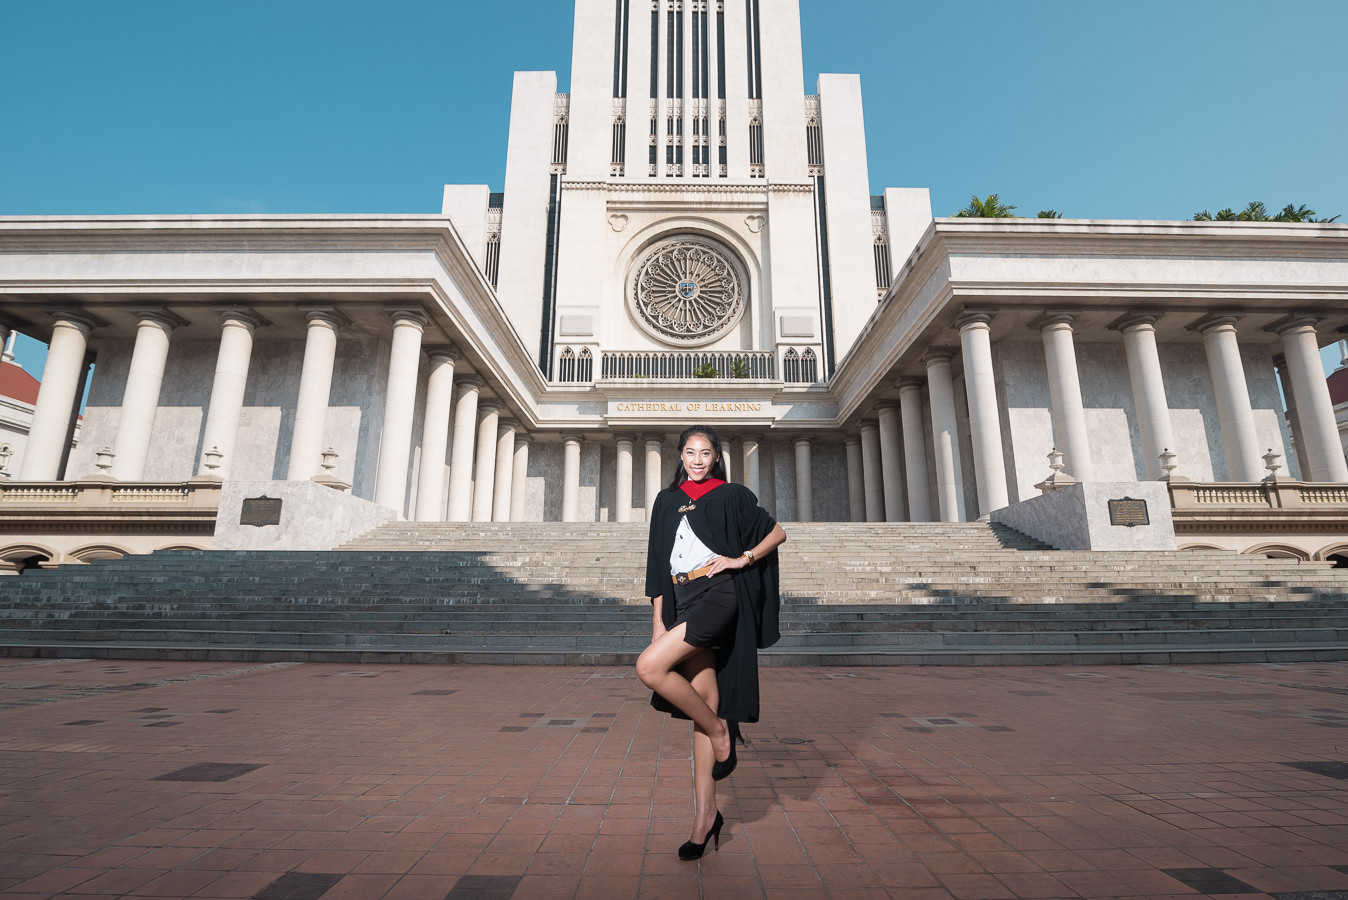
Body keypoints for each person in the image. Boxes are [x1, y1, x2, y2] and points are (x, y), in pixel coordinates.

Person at [635, 424, 787, 861]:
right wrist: (658, 624)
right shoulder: (666, 501)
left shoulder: (731, 494)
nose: (697, 459)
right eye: (690, 452)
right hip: (681, 599)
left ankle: (722, 732)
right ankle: (705, 818)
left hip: (718, 594)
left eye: (705, 452)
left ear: (716, 457)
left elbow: (776, 533)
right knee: (703, 698)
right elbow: (656, 567)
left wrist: (742, 559)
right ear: (680, 456)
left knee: (649, 668)